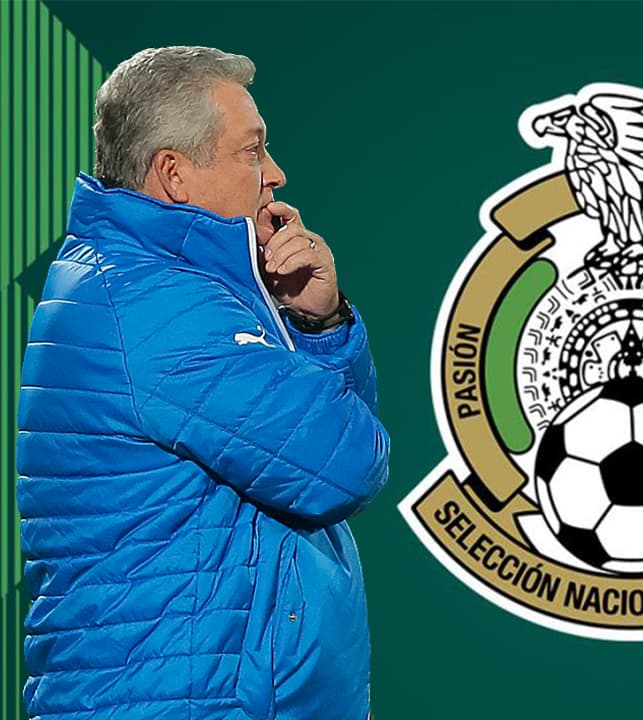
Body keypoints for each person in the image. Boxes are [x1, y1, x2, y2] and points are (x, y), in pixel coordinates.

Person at [17, 46, 389, 719]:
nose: (274, 174)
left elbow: (325, 450)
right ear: (175, 174)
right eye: (252, 152)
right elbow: (346, 465)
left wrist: (320, 324)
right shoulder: (154, 304)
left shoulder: (160, 286)